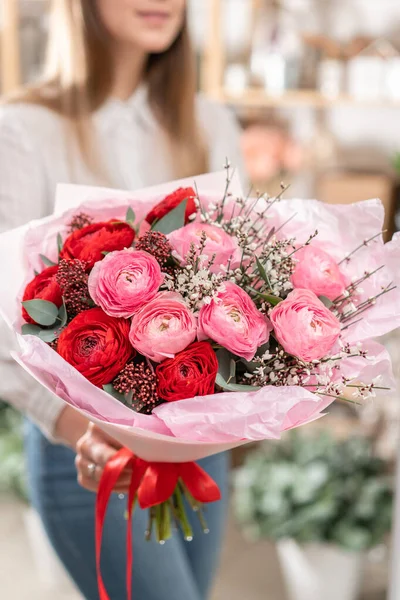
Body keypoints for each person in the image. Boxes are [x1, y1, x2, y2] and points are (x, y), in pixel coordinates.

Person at [0, 1, 244, 599]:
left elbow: (246, 280)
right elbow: (2, 315)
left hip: (199, 445)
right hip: (88, 451)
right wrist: (81, 426)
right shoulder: (23, 129)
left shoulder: (210, 124)